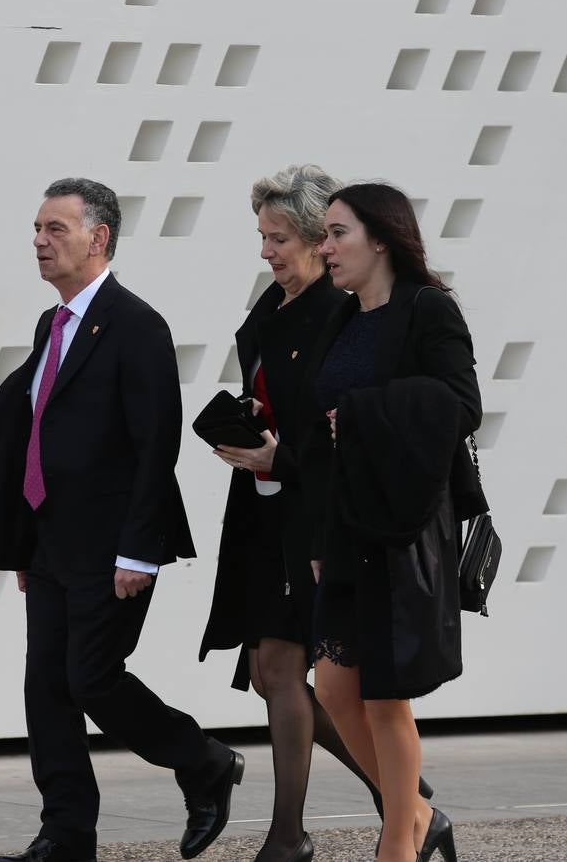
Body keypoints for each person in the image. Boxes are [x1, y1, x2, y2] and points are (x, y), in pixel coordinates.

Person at [0, 178, 243, 862]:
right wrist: (19, 542)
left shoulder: (135, 326)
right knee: (47, 689)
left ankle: (203, 760)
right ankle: (65, 836)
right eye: (36, 228)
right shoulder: (53, 325)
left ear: (98, 238)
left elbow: (158, 443)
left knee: (92, 677)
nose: (39, 240)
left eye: (55, 229)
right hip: (50, 543)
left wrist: (139, 550)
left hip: (113, 544)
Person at [201, 164, 431, 862]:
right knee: (294, 676)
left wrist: (283, 458)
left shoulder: (337, 313)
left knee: (284, 669)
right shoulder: (271, 308)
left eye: (279, 238)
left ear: (315, 241)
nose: (266, 252)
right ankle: (412, 806)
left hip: (314, 515)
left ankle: (293, 835)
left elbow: (340, 428)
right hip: (266, 510)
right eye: (262, 236)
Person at [299, 183, 482, 862]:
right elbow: (323, 433)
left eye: (338, 233)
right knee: (335, 688)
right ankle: (421, 815)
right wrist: (320, 537)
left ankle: (396, 849)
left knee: (384, 696)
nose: (326, 248)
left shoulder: (427, 310)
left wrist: (368, 414)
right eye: (323, 235)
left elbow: (462, 405)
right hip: (346, 525)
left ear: (381, 237)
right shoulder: (342, 318)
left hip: (402, 525)